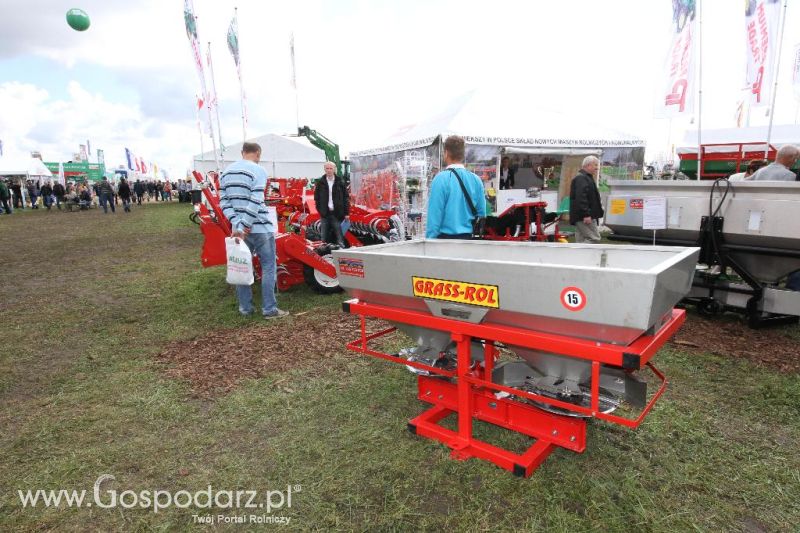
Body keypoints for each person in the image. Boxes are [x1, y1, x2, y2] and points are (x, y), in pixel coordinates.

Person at [219, 142, 288, 319]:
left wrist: (237, 224)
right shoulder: (259, 170)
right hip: (260, 228)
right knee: (268, 266)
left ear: (242, 153)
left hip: (238, 231)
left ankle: (245, 308)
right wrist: (245, 225)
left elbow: (224, 202)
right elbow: (256, 199)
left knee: (241, 267)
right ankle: (269, 309)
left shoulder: (225, 173)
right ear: (258, 153)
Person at [425, 135, 486, 239]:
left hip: (444, 241)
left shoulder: (440, 179)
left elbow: (434, 217)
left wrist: (430, 242)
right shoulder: (476, 180)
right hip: (469, 240)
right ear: (463, 154)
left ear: (446, 153)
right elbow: (482, 214)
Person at [313, 161, 349, 247]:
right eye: (327, 168)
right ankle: (323, 254)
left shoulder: (340, 182)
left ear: (334, 169)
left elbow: (345, 198)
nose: (329, 170)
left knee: (339, 236)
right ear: (324, 169)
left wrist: (346, 213)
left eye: (331, 168)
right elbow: (316, 198)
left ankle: (341, 251)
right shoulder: (320, 183)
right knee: (324, 236)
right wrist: (321, 210)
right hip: (325, 214)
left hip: (336, 214)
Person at [569, 155, 604, 244]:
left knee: (581, 240)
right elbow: (581, 198)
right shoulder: (582, 178)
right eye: (595, 165)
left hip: (582, 216)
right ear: (588, 165)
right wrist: (586, 214)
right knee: (594, 238)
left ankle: (579, 257)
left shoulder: (585, 178)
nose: (597, 168)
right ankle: (584, 257)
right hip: (585, 216)